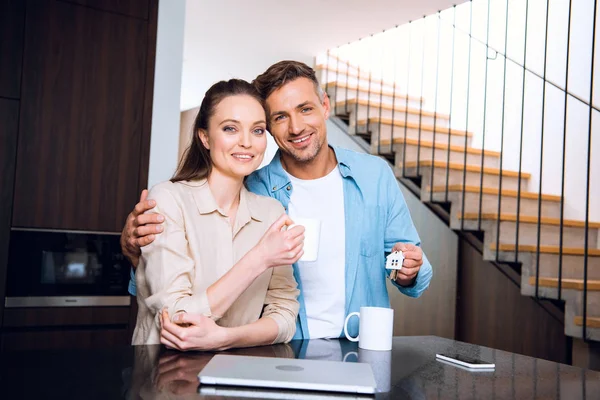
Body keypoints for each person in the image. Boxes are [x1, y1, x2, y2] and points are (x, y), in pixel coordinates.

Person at [123, 61, 433, 343]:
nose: (296, 127)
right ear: (270, 128)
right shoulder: (255, 188)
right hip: (282, 352)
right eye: (280, 117)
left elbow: (409, 264)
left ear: (325, 106)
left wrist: (411, 270)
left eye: (305, 109)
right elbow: (169, 291)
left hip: (358, 346)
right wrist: (136, 253)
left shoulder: (373, 175)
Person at [131, 79, 302, 349]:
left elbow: (285, 314)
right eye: (230, 128)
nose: (247, 142)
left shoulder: (272, 212)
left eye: (257, 130)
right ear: (205, 137)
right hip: (165, 378)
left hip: (238, 375)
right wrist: (259, 258)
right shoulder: (168, 200)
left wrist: (227, 338)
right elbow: (177, 318)